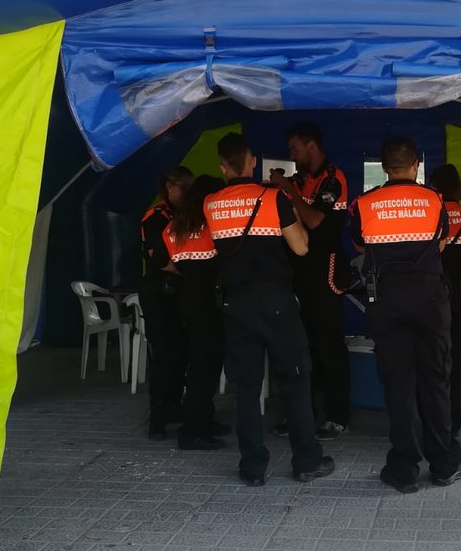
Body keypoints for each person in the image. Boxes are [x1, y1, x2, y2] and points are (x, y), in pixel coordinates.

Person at [203, 133, 335, 486]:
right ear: (251, 162)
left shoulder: (211, 203)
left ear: (222, 166)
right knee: (294, 380)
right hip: (275, 301)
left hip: (234, 303)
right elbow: (301, 247)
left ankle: (252, 467)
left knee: (246, 387)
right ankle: (306, 461)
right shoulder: (273, 198)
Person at [350, 137, 461, 494]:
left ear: (385, 167)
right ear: (415, 164)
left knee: (398, 384)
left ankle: (404, 468)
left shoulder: (364, 203)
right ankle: (444, 462)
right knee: (435, 380)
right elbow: (442, 239)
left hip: (386, 298)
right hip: (429, 298)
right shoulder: (434, 200)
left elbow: (358, 244)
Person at [268, 122, 351, 441]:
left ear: (312, 146)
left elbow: (316, 220)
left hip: (326, 270)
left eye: (295, 149)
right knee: (300, 347)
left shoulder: (333, 177)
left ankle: (337, 415)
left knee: (328, 345)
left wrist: (288, 191)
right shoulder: (298, 180)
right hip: (297, 270)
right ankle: (302, 414)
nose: (292, 156)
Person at [164, 174, 229, 451]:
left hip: (187, 300)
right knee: (206, 367)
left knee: (199, 365)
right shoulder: (213, 228)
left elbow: (173, 266)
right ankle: (193, 431)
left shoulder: (172, 229)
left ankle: (203, 419)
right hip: (209, 303)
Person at [139, 166, 193, 440]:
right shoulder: (156, 217)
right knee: (163, 355)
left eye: (188, 187)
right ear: (169, 188)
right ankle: (157, 417)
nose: (186, 193)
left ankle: (175, 405)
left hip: (181, 291)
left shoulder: (184, 215)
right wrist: (191, 270)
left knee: (182, 351)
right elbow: (158, 258)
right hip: (160, 290)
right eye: (182, 187)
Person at [429, 163, 461, 436]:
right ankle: (455, 409)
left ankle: (436, 408)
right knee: (457, 351)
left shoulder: (433, 214)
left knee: (434, 352)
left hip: (436, 293)